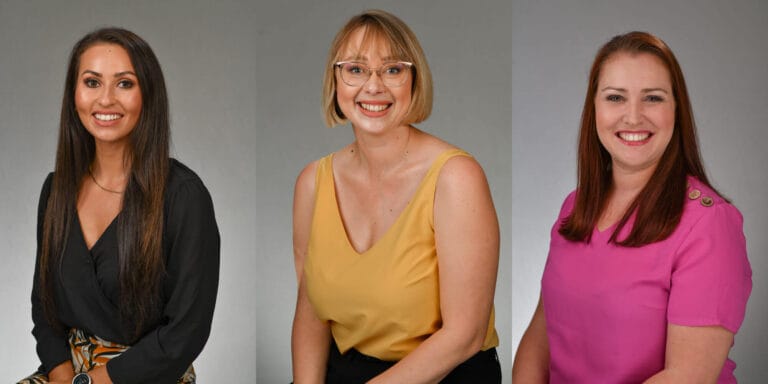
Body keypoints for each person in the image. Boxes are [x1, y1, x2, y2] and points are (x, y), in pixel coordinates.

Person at [512, 31, 752, 383]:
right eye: (615, 98)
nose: (633, 117)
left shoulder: (709, 223)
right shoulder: (574, 207)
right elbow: (539, 339)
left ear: (676, 110)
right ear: (594, 109)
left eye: (653, 98)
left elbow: (687, 375)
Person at [291, 9, 501, 383]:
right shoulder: (312, 182)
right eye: (356, 69)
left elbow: (465, 335)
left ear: (414, 81)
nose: (373, 86)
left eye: (392, 69)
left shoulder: (456, 178)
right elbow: (311, 312)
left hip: (446, 375)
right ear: (335, 81)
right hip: (346, 370)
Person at [18, 28, 220, 384]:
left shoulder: (184, 196)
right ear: (74, 95)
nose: (106, 99)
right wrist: (63, 376)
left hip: (151, 376)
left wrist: (95, 381)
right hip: (69, 373)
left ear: (148, 95)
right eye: (92, 82)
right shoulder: (56, 191)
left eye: (124, 84)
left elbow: (187, 330)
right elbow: (44, 308)